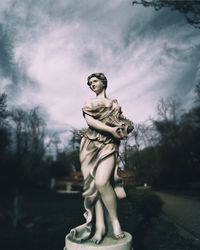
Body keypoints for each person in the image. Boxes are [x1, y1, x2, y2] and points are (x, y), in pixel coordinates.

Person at [69, 73, 133, 244]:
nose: (92, 84)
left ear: (103, 82)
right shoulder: (89, 102)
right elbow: (90, 122)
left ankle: (114, 221)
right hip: (90, 145)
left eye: (95, 81)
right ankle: (100, 227)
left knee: (102, 182)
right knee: (93, 187)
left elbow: (122, 123)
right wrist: (110, 130)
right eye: (90, 83)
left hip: (108, 145)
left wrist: (124, 128)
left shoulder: (114, 104)